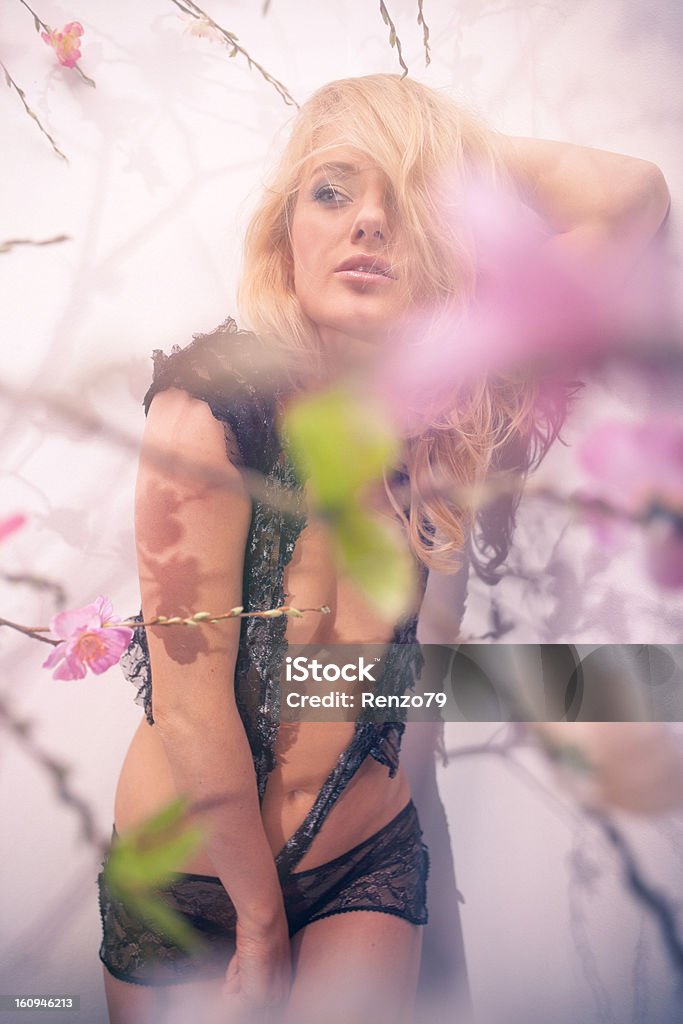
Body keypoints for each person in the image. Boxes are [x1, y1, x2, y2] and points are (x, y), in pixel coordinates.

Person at [97, 74, 670, 1024]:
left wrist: (449, 158)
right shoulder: (208, 409)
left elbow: (633, 196)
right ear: (288, 230)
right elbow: (193, 705)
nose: (368, 222)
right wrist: (258, 920)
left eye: (406, 207)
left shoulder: (445, 399)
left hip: (366, 855)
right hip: (193, 877)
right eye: (332, 192)